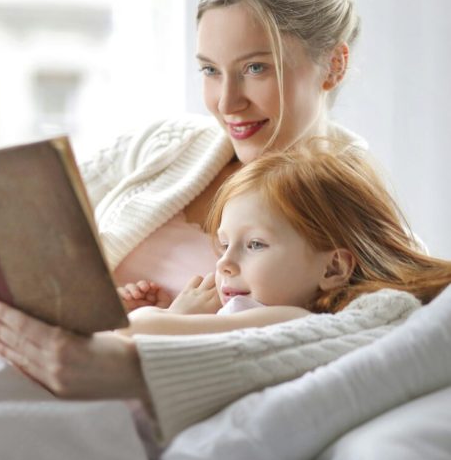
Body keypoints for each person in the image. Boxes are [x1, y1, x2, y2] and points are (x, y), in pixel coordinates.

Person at [0, 0, 434, 442]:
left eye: (255, 68)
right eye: (209, 71)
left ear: (333, 66)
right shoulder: (166, 143)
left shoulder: (352, 204)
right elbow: (6, 241)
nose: (227, 102)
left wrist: (131, 368)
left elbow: (391, 334)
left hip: (97, 416)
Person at [116, 141, 451, 338]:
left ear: (333, 268)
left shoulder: (290, 320)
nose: (224, 264)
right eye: (224, 244)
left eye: (255, 245)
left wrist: (177, 314)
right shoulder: (249, 312)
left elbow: (136, 331)